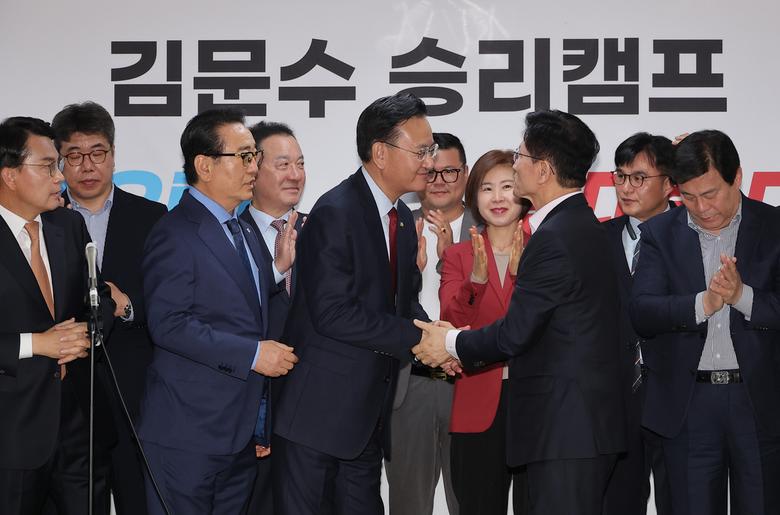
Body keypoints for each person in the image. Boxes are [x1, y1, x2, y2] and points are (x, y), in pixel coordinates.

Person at [412, 109, 626, 515]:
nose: (514, 164)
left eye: (519, 156)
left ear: (542, 170)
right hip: (577, 427)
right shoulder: (580, 226)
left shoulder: (555, 237)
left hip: (568, 430)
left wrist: (449, 342)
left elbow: (514, 333)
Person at [272, 92, 432, 515]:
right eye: (421, 151)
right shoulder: (336, 211)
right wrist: (419, 339)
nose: (429, 162)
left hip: (365, 418)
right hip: (316, 416)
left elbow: (402, 304)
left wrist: (438, 339)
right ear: (380, 153)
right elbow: (333, 313)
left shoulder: (401, 220)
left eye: (430, 150)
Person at [138, 108, 298, 514]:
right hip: (187, 434)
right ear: (204, 165)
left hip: (238, 434)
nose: (253, 167)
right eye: (243, 156)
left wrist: (275, 273)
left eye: (254, 156)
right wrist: (253, 354)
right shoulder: (175, 232)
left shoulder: (241, 228)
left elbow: (234, 301)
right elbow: (168, 324)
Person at [630, 130, 780, 514]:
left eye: (710, 194)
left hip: (759, 402)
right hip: (688, 406)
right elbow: (642, 312)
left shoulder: (774, 226)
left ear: (737, 177)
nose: (701, 207)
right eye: (689, 197)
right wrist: (703, 303)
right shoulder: (660, 234)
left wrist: (741, 296)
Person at [51, 101, 167, 515]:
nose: (87, 166)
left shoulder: (153, 217)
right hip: (68, 396)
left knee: (139, 501)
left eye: (97, 152)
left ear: (114, 155)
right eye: (74, 155)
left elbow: (171, 301)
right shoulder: (45, 218)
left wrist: (128, 306)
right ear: (59, 161)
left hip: (135, 391)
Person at [0, 116, 113, 514]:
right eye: (48, 166)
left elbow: (101, 300)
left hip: (79, 424)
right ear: (10, 175)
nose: (60, 178)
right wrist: (38, 344)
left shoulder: (68, 224)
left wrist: (86, 332)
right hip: (11, 434)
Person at [385, 131, 472, 515]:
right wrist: (409, 271)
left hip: (469, 383)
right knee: (408, 503)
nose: (438, 181)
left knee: (470, 500)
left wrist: (452, 259)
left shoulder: (492, 229)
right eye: (431, 171)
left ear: (465, 174)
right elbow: (373, 309)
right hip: (409, 383)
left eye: (449, 172)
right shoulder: (394, 227)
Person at [439, 149, 530, 515]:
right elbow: (450, 322)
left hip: (535, 402)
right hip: (476, 402)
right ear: (474, 196)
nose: (497, 197)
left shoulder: (545, 250)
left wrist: (519, 278)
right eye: (487, 188)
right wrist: (476, 279)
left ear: (523, 192)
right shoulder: (458, 256)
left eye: (507, 186)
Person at [601, 132, 675, 515]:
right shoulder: (597, 240)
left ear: (670, 183)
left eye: (639, 178)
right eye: (620, 176)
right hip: (614, 400)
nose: (626, 187)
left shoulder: (694, 237)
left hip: (677, 396)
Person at [239, 120, 306, 515]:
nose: (294, 174)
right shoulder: (228, 235)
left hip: (312, 413)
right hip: (250, 409)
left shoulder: (323, 230)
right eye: (283, 165)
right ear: (253, 167)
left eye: (300, 164)